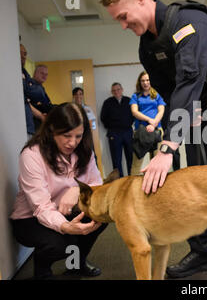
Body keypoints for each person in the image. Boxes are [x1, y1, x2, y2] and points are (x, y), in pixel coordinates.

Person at [101, 0, 207, 280]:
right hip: (202, 105)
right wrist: (183, 122)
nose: (122, 25)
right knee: (199, 180)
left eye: (123, 16)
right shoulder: (147, 48)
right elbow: (173, 93)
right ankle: (204, 253)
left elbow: (189, 81)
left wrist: (167, 148)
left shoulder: (190, 22)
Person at [9, 103, 107, 280]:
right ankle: (42, 269)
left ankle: (76, 265)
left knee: (101, 215)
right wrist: (66, 227)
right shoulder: (32, 155)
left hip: (66, 211)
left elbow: (97, 185)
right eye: (66, 135)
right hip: (30, 219)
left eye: (78, 136)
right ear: (52, 129)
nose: (73, 142)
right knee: (63, 242)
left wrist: (76, 190)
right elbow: (41, 207)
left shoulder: (84, 150)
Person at [129, 71, 166, 175]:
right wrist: (149, 120)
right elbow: (134, 112)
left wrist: (154, 124)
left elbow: (161, 110)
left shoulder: (157, 95)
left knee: (157, 163)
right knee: (137, 164)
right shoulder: (135, 96)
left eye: (147, 80)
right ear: (139, 82)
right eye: (143, 80)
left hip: (157, 131)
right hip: (141, 132)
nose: (145, 83)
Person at [100, 82, 134, 177]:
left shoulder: (129, 101)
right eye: (114, 90)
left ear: (122, 90)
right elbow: (103, 118)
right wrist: (112, 127)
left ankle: (131, 178)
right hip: (114, 134)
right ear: (112, 92)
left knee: (130, 158)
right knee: (116, 160)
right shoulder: (107, 102)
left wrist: (128, 124)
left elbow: (134, 115)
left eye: (118, 89)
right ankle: (120, 181)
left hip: (128, 132)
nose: (116, 92)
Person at [27, 65, 53, 131]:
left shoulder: (40, 87)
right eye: (42, 73)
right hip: (34, 122)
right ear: (35, 73)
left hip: (42, 120)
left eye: (46, 74)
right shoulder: (29, 85)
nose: (44, 76)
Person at [20, 43, 35, 137]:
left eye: (25, 54)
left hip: (29, 126)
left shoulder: (26, 74)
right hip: (19, 126)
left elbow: (31, 95)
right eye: (20, 53)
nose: (23, 56)